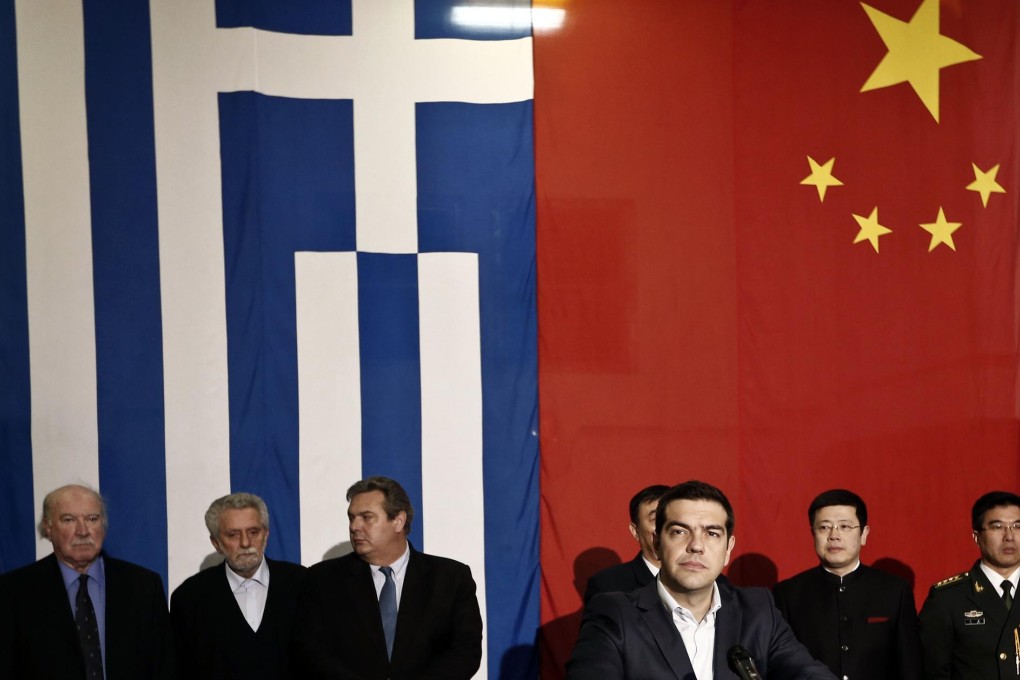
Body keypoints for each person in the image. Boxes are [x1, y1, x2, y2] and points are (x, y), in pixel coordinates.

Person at [567, 480, 835, 679]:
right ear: (658, 544)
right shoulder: (615, 614)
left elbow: (809, 673)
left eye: (712, 534)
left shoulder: (758, 610)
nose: (696, 545)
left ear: (728, 549)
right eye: (680, 531)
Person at [291, 476, 483, 679]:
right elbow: (310, 652)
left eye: (366, 517)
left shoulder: (451, 578)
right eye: (351, 517)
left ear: (398, 521)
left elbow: (465, 651)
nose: (354, 526)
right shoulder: (323, 580)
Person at [0, 483, 174, 679]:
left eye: (92, 519)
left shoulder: (143, 587)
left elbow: (164, 668)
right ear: (48, 527)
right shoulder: (14, 592)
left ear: (103, 526)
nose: (83, 531)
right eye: (68, 520)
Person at [773, 489, 922, 680]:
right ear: (813, 534)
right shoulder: (788, 594)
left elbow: (910, 667)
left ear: (864, 534)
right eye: (824, 527)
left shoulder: (894, 591)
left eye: (844, 526)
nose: (834, 535)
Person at [170, 492, 306, 679]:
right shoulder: (189, 598)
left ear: (266, 534)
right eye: (233, 535)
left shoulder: (302, 583)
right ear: (216, 543)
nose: (245, 543)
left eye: (253, 532)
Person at [919, 490, 1020, 679]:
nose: (1009, 536)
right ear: (977, 537)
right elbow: (933, 671)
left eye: (1017, 526)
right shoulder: (947, 598)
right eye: (997, 527)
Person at [583, 484, 669, 605]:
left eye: (672, 518)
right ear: (635, 531)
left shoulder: (702, 577)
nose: (667, 526)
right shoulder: (608, 587)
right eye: (656, 519)